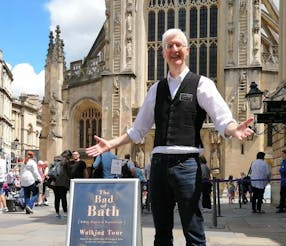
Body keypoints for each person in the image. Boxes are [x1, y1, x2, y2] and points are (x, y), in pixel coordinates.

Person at [86, 28, 254, 245]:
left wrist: (234, 130)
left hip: (187, 165)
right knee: (161, 232)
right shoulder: (156, 89)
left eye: (178, 45)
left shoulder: (202, 84)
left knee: (193, 231)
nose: (174, 50)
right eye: (169, 46)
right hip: (158, 166)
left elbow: (222, 118)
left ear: (187, 50)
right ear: (163, 53)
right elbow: (138, 130)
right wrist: (111, 143)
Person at [51, 150, 72, 219]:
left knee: (56, 198)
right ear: (68, 156)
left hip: (55, 182)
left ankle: (57, 213)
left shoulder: (56, 160)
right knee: (63, 198)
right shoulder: (67, 162)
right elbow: (69, 173)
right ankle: (65, 213)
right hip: (63, 183)